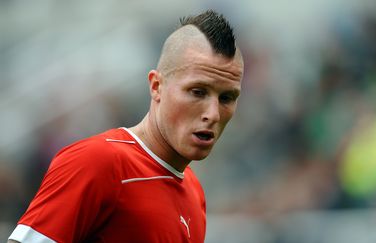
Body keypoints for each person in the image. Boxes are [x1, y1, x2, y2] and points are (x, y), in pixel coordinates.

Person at [8, 9, 244, 243]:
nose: (212, 114)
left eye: (226, 98)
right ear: (156, 86)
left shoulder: (193, 190)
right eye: (197, 92)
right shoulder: (98, 161)